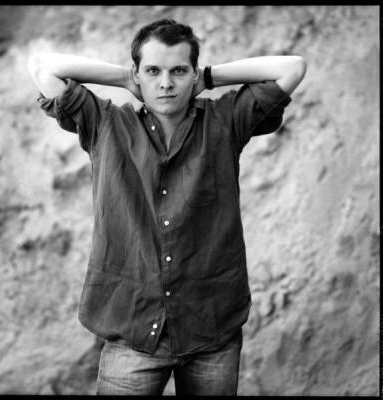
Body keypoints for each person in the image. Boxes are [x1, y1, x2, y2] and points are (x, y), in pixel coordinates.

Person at [27, 18, 306, 396]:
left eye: (178, 71)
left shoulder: (225, 121)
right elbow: (42, 66)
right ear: (138, 74)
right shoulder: (106, 125)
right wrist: (125, 79)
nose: (165, 83)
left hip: (211, 330)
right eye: (153, 71)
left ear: (193, 74)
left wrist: (210, 77)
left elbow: (293, 67)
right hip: (132, 331)